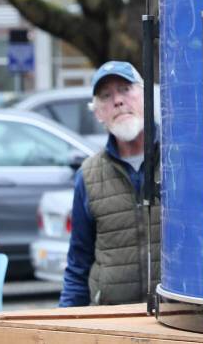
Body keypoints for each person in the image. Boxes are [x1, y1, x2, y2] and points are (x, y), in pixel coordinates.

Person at [59, 61, 160, 307]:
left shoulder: (179, 160)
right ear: (98, 113)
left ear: (145, 95)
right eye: (106, 96)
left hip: (175, 319)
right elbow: (78, 263)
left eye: (125, 89)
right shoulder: (89, 175)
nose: (117, 100)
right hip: (112, 321)